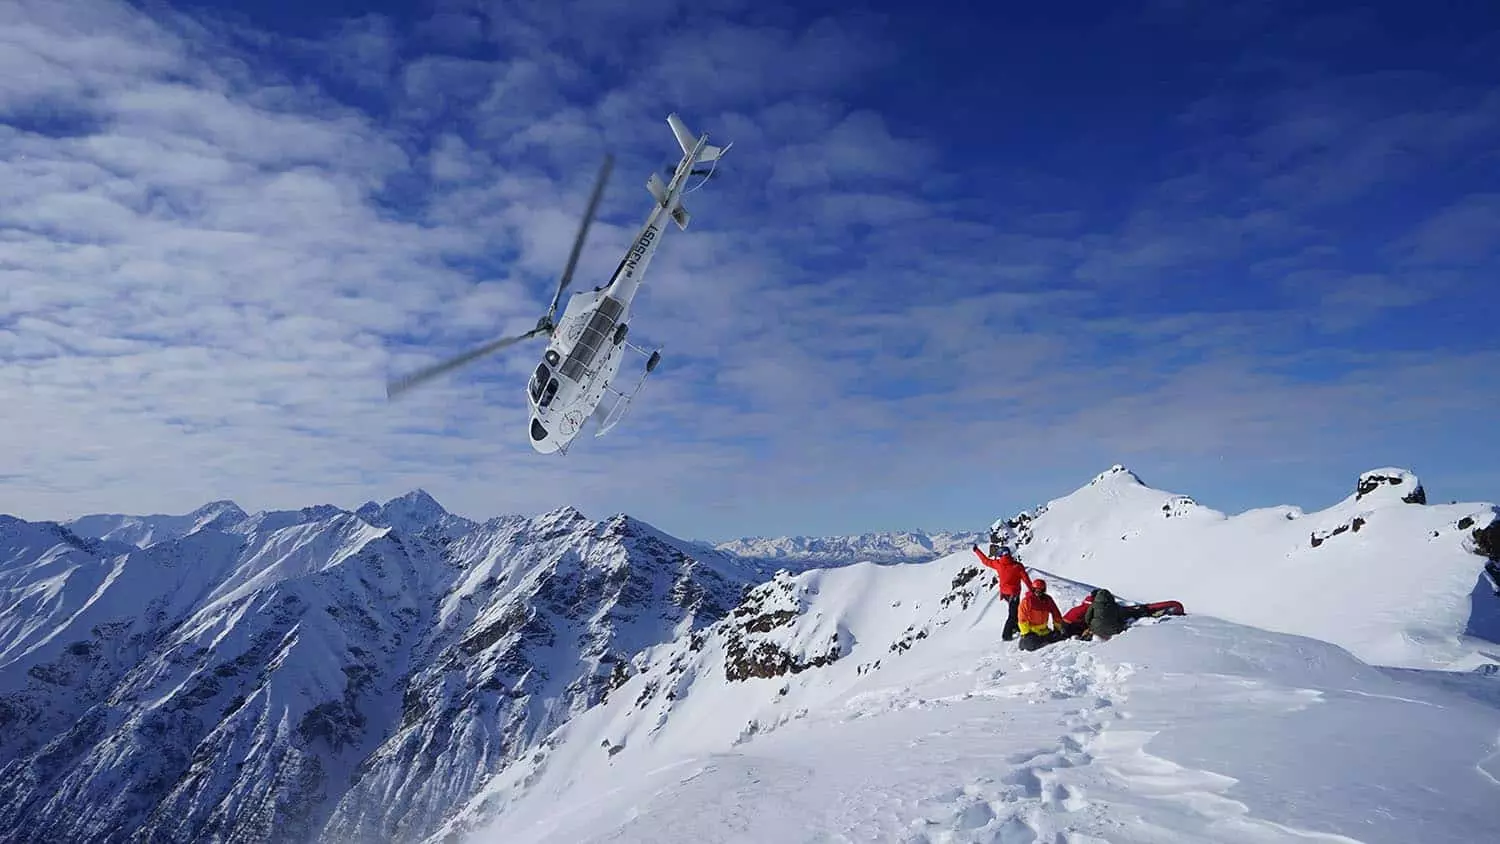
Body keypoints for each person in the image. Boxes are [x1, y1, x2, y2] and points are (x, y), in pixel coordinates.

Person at [972, 542, 1035, 641]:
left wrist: (977, 551)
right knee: (1013, 614)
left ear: (1000, 555)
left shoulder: (998, 564)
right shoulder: (1017, 566)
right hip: (1014, 593)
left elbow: (985, 561)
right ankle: (1006, 635)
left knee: (1015, 611)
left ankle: (1016, 627)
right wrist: (1032, 590)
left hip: (1005, 594)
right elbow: (1026, 579)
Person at [1016, 578, 1067, 651]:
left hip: (1044, 631)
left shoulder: (1048, 600)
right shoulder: (1027, 601)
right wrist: (1026, 633)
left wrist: (1057, 628)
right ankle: (1024, 641)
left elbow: (1056, 614)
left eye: (1041, 590)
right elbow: (1022, 618)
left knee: (1059, 638)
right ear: (1033, 589)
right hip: (1031, 632)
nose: (1038, 592)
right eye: (1036, 590)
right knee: (1031, 645)